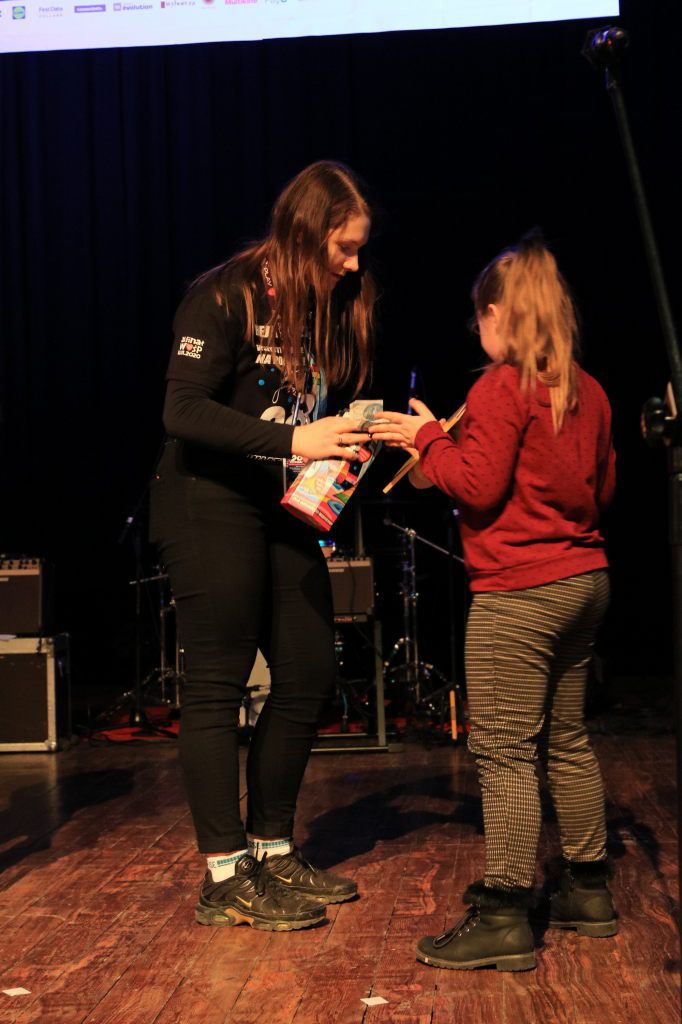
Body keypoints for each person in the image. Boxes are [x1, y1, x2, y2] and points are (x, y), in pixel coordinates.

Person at [368, 233, 617, 971]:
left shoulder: (500, 387)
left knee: (505, 750)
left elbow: (476, 487)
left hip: (521, 592)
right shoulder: (589, 389)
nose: (477, 329)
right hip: (584, 581)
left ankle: (506, 913)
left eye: (479, 317)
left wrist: (428, 440)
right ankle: (587, 890)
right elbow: (603, 488)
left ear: (499, 313)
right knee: (565, 739)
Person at [150, 160, 376, 932]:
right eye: (344, 247)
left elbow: (302, 411)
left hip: (278, 506)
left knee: (309, 668)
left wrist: (349, 437)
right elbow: (182, 411)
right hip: (207, 502)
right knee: (217, 683)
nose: (354, 264)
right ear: (307, 233)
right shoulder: (226, 294)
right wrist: (294, 439)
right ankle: (224, 874)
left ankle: (271, 849)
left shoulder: (323, 307)